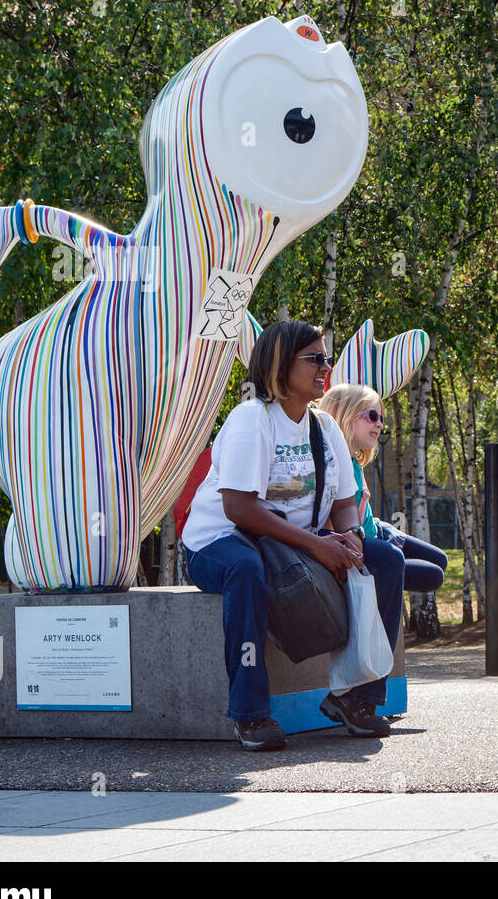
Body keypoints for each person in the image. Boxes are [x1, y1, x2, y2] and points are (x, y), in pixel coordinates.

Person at [180, 320, 397, 751]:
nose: (325, 367)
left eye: (327, 358)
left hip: (292, 542)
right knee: (246, 568)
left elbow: (342, 500)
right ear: (280, 364)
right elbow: (239, 508)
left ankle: (354, 699)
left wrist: (351, 534)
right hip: (221, 541)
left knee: (386, 559)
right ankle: (250, 714)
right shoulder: (251, 419)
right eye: (315, 358)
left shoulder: (323, 427)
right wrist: (318, 545)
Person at [319, 383, 448, 597]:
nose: (379, 425)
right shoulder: (330, 464)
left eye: (381, 419)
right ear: (345, 414)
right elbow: (328, 521)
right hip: (362, 543)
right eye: (371, 416)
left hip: (378, 531)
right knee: (432, 575)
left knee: (440, 559)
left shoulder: (354, 463)